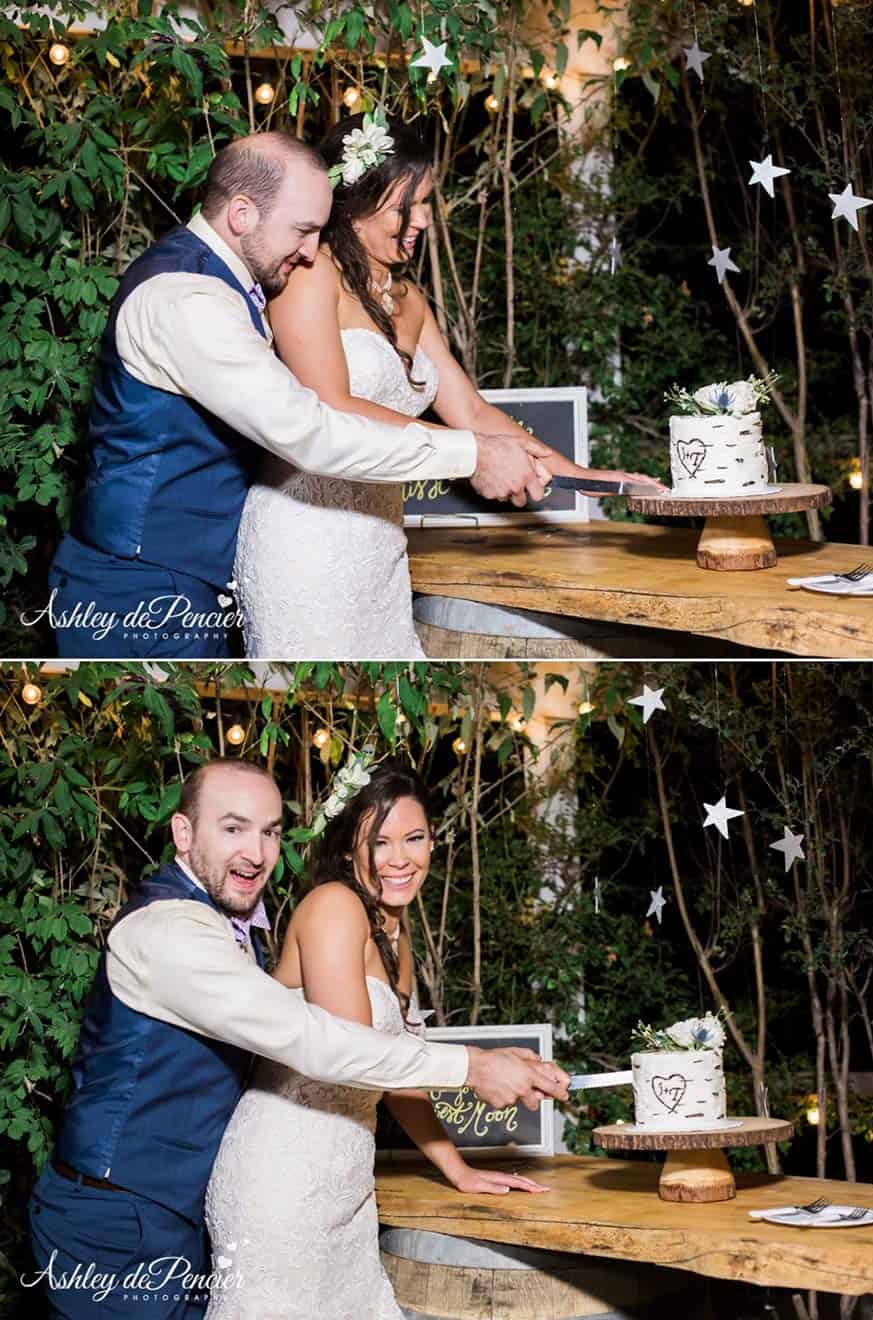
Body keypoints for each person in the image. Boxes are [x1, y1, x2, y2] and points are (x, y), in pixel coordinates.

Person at [26, 758, 569, 1318]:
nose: (257, 852)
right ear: (183, 834)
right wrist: (473, 1067)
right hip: (117, 1214)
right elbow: (324, 1044)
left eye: (270, 832)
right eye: (233, 828)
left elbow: (384, 1063)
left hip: (212, 1206)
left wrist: (457, 1168)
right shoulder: (168, 931)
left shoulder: (252, 925)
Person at [45, 131, 553, 660]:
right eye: (303, 230)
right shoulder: (186, 298)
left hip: (192, 581)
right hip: (135, 586)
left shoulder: (227, 283)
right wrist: (469, 452)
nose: (312, 250)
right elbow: (308, 431)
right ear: (241, 214)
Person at [234, 114, 665, 657]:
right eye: (404, 206)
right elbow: (332, 407)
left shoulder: (410, 300)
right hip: (304, 541)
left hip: (380, 551)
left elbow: (473, 413)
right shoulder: (310, 274)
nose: (422, 220)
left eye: (426, 203)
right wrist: (474, 454)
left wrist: (586, 476)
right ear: (354, 202)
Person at [205, 760, 551, 1319]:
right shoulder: (334, 908)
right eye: (379, 842)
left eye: (413, 839)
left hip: (346, 1188)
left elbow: (394, 1074)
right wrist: (475, 1065)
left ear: (433, 844)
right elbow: (357, 1059)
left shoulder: (394, 929)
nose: (399, 859)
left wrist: (456, 1167)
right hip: (281, 1181)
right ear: (349, 849)